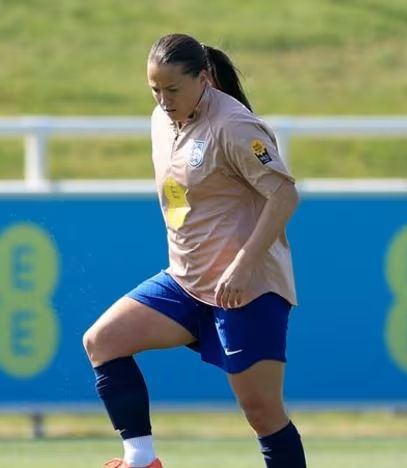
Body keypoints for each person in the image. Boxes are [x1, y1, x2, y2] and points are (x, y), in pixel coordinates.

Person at [82, 32, 306, 468]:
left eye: (173, 89)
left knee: (262, 413)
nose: (163, 100)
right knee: (103, 341)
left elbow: (284, 196)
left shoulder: (234, 126)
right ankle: (141, 459)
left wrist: (243, 265)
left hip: (246, 286)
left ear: (203, 78)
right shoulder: (160, 120)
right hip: (186, 281)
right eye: (154, 89)